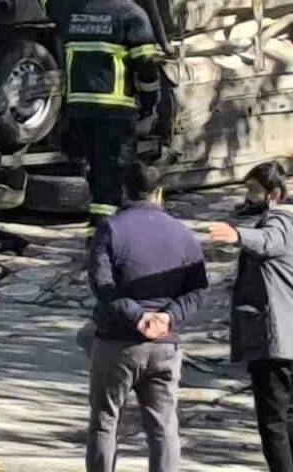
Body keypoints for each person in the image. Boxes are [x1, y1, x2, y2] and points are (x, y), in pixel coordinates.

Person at [87, 163, 208, 472]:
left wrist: (137, 316)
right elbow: (197, 290)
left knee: (105, 423)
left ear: (125, 191)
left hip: (117, 344)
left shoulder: (111, 228)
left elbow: (102, 285)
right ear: (159, 193)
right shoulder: (183, 235)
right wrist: (167, 318)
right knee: (163, 428)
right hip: (165, 347)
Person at [31, 0, 161, 223]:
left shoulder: (70, 7)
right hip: (115, 112)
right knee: (112, 172)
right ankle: (107, 230)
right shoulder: (131, 15)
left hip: (78, 110)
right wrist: (151, 103)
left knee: (92, 168)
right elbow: (147, 66)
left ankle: (101, 224)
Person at [209, 162, 293, 472]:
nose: (248, 197)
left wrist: (237, 235)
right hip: (285, 342)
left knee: (272, 424)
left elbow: (268, 241)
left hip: (275, 343)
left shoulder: (280, 222)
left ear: (274, 195)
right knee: (287, 419)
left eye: (254, 191)